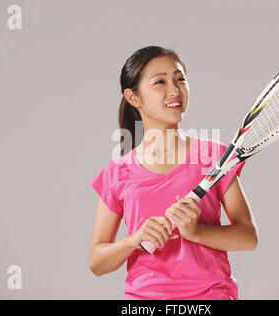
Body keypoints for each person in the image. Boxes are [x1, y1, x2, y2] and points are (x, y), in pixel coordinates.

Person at [89, 46, 258, 300]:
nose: (175, 90)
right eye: (160, 82)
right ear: (133, 97)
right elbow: (97, 263)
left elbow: (248, 237)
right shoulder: (117, 172)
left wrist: (197, 232)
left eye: (180, 79)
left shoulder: (216, 158)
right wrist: (133, 240)